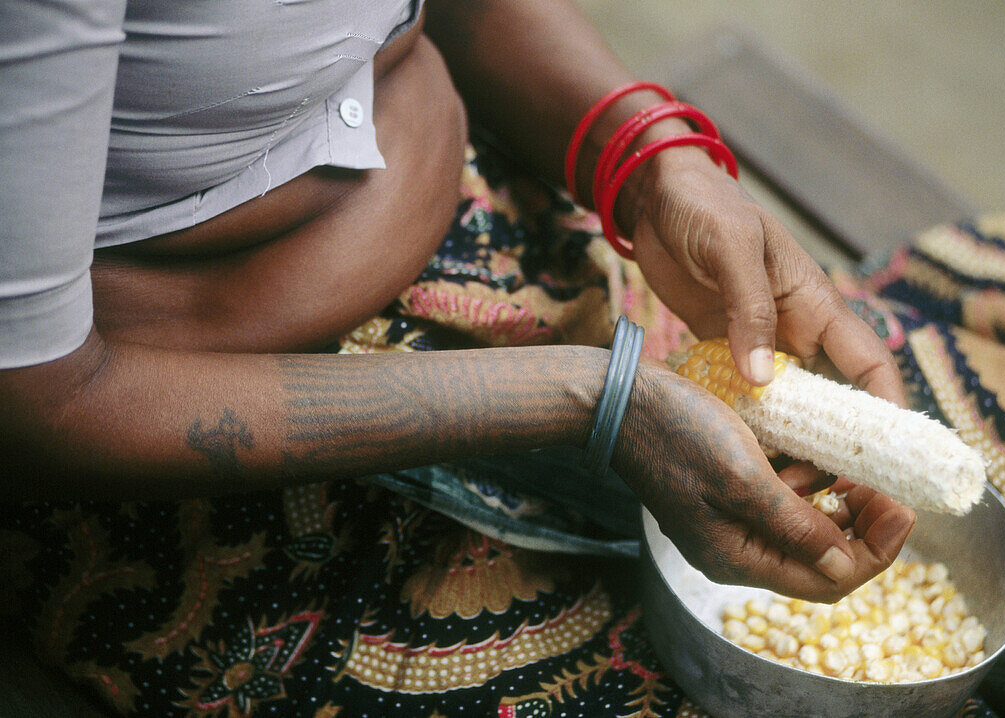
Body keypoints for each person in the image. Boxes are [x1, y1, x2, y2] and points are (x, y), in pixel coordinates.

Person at [1, 1, 925, 715]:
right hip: (182, 452)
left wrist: (648, 161)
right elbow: (42, 398)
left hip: (505, 226)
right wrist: (589, 399)